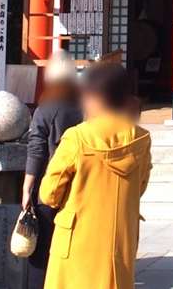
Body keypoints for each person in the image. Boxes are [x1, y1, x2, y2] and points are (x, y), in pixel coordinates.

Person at [39, 62, 151, 289]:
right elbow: (140, 187)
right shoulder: (141, 138)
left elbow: (49, 193)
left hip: (77, 240)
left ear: (95, 97)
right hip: (119, 240)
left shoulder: (78, 137)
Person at [22, 50, 82, 273]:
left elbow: (36, 149)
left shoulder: (46, 109)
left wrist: (27, 187)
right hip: (79, 186)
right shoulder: (85, 107)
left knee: (43, 249)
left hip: (49, 186)